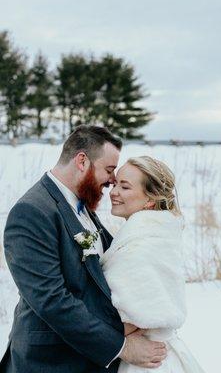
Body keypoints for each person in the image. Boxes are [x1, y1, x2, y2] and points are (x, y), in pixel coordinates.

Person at [0, 126, 167, 373]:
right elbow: (52, 300)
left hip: (85, 358)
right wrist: (121, 345)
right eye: (109, 170)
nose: (112, 181)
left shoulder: (82, 206)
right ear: (81, 161)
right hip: (49, 362)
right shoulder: (32, 212)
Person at [100, 156, 206, 373]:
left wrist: (83, 336)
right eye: (116, 183)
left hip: (146, 358)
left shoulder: (141, 245)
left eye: (125, 186)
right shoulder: (155, 234)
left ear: (150, 200)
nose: (113, 192)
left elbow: (140, 315)